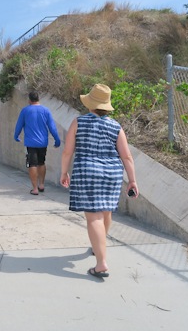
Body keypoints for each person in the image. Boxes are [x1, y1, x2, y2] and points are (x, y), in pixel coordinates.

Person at [60, 84, 138, 279]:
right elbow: (127, 156)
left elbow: (68, 151)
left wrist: (64, 172)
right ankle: (98, 246)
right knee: (106, 211)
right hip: (112, 172)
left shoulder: (79, 122)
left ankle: (101, 263)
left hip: (87, 171)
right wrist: (132, 180)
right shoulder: (116, 126)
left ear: (90, 104)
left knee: (93, 216)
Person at [14, 91, 61, 195]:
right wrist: (57, 139)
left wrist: (16, 136)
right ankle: (41, 184)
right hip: (43, 142)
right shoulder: (46, 110)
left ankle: (34, 189)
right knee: (41, 162)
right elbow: (52, 127)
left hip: (31, 143)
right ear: (38, 99)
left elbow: (19, 125)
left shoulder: (25, 111)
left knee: (32, 164)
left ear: (29, 100)